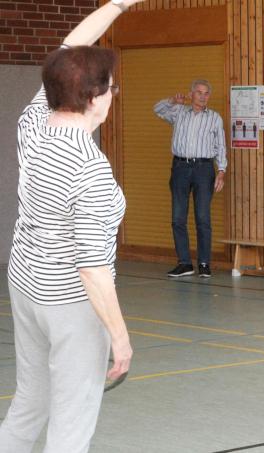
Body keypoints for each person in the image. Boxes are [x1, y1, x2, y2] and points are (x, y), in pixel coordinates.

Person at [0, 1, 141, 451]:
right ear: (94, 98)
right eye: (112, 89)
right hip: (72, 305)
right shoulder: (90, 171)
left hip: (26, 287)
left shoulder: (34, 123)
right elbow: (93, 267)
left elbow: (68, 50)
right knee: (71, 422)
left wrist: (117, 4)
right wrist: (120, 339)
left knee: (30, 402)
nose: (113, 96)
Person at [154, 80, 227, 278]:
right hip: (180, 166)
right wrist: (172, 100)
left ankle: (204, 263)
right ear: (191, 94)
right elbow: (157, 109)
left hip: (204, 168)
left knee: (203, 218)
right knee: (178, 218)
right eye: (199, 92)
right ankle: (184, 263)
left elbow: (220, 145)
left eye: (206, 93)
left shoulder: (214, 118)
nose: (203, 96)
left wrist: (221, 171)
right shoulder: (179, 113)